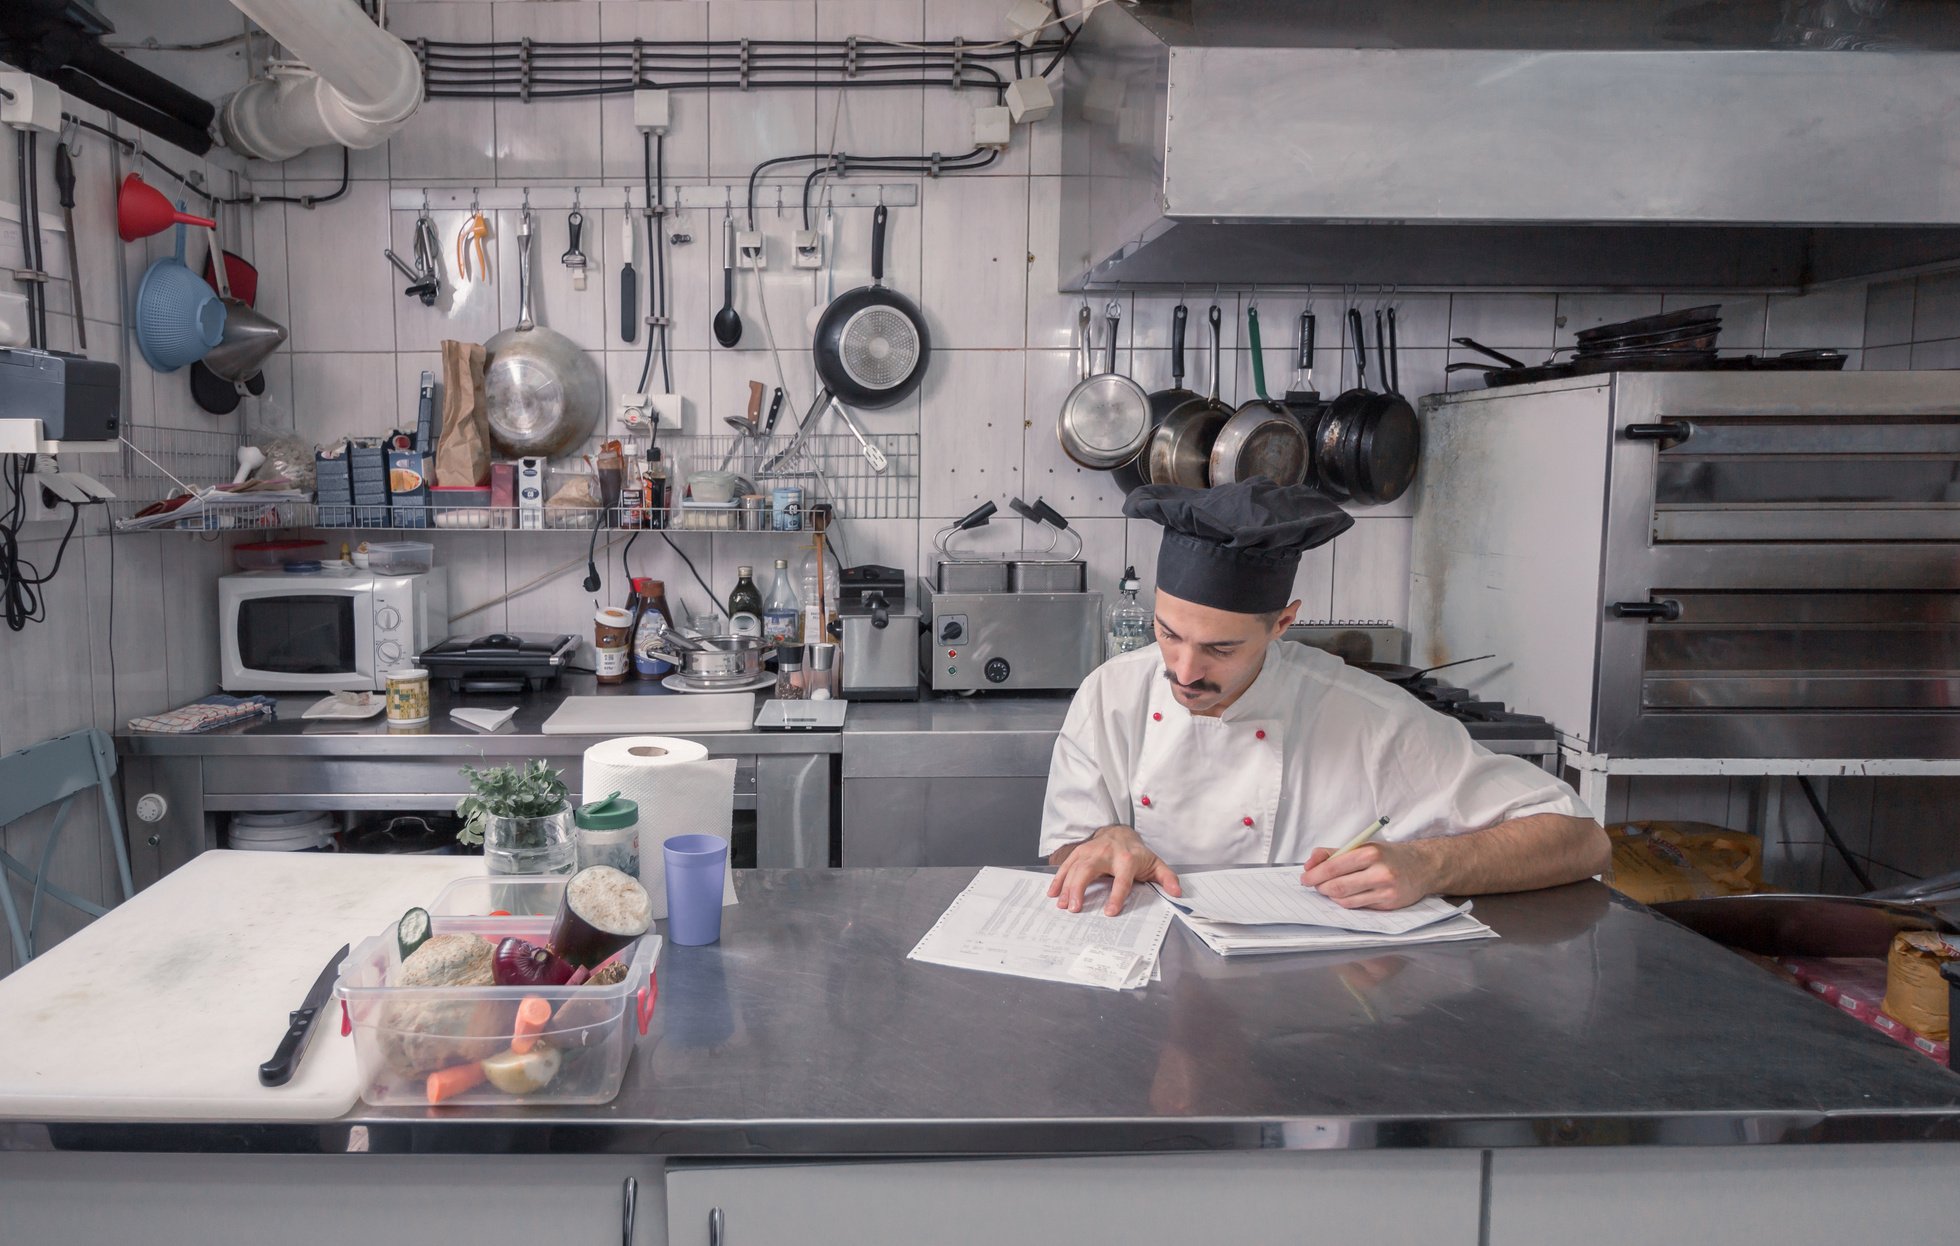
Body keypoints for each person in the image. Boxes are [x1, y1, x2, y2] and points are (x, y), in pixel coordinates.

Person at [1040, 478, 1609, 917]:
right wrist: (1101, 840)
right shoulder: (1112, 693)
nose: (1184, 671)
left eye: (1221, 648)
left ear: (1283, 623)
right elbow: (1068, 855)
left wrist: (1427, 864)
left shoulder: (1367, 715)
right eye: (1169, 634)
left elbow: (1583, 840)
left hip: (1308, 1003)